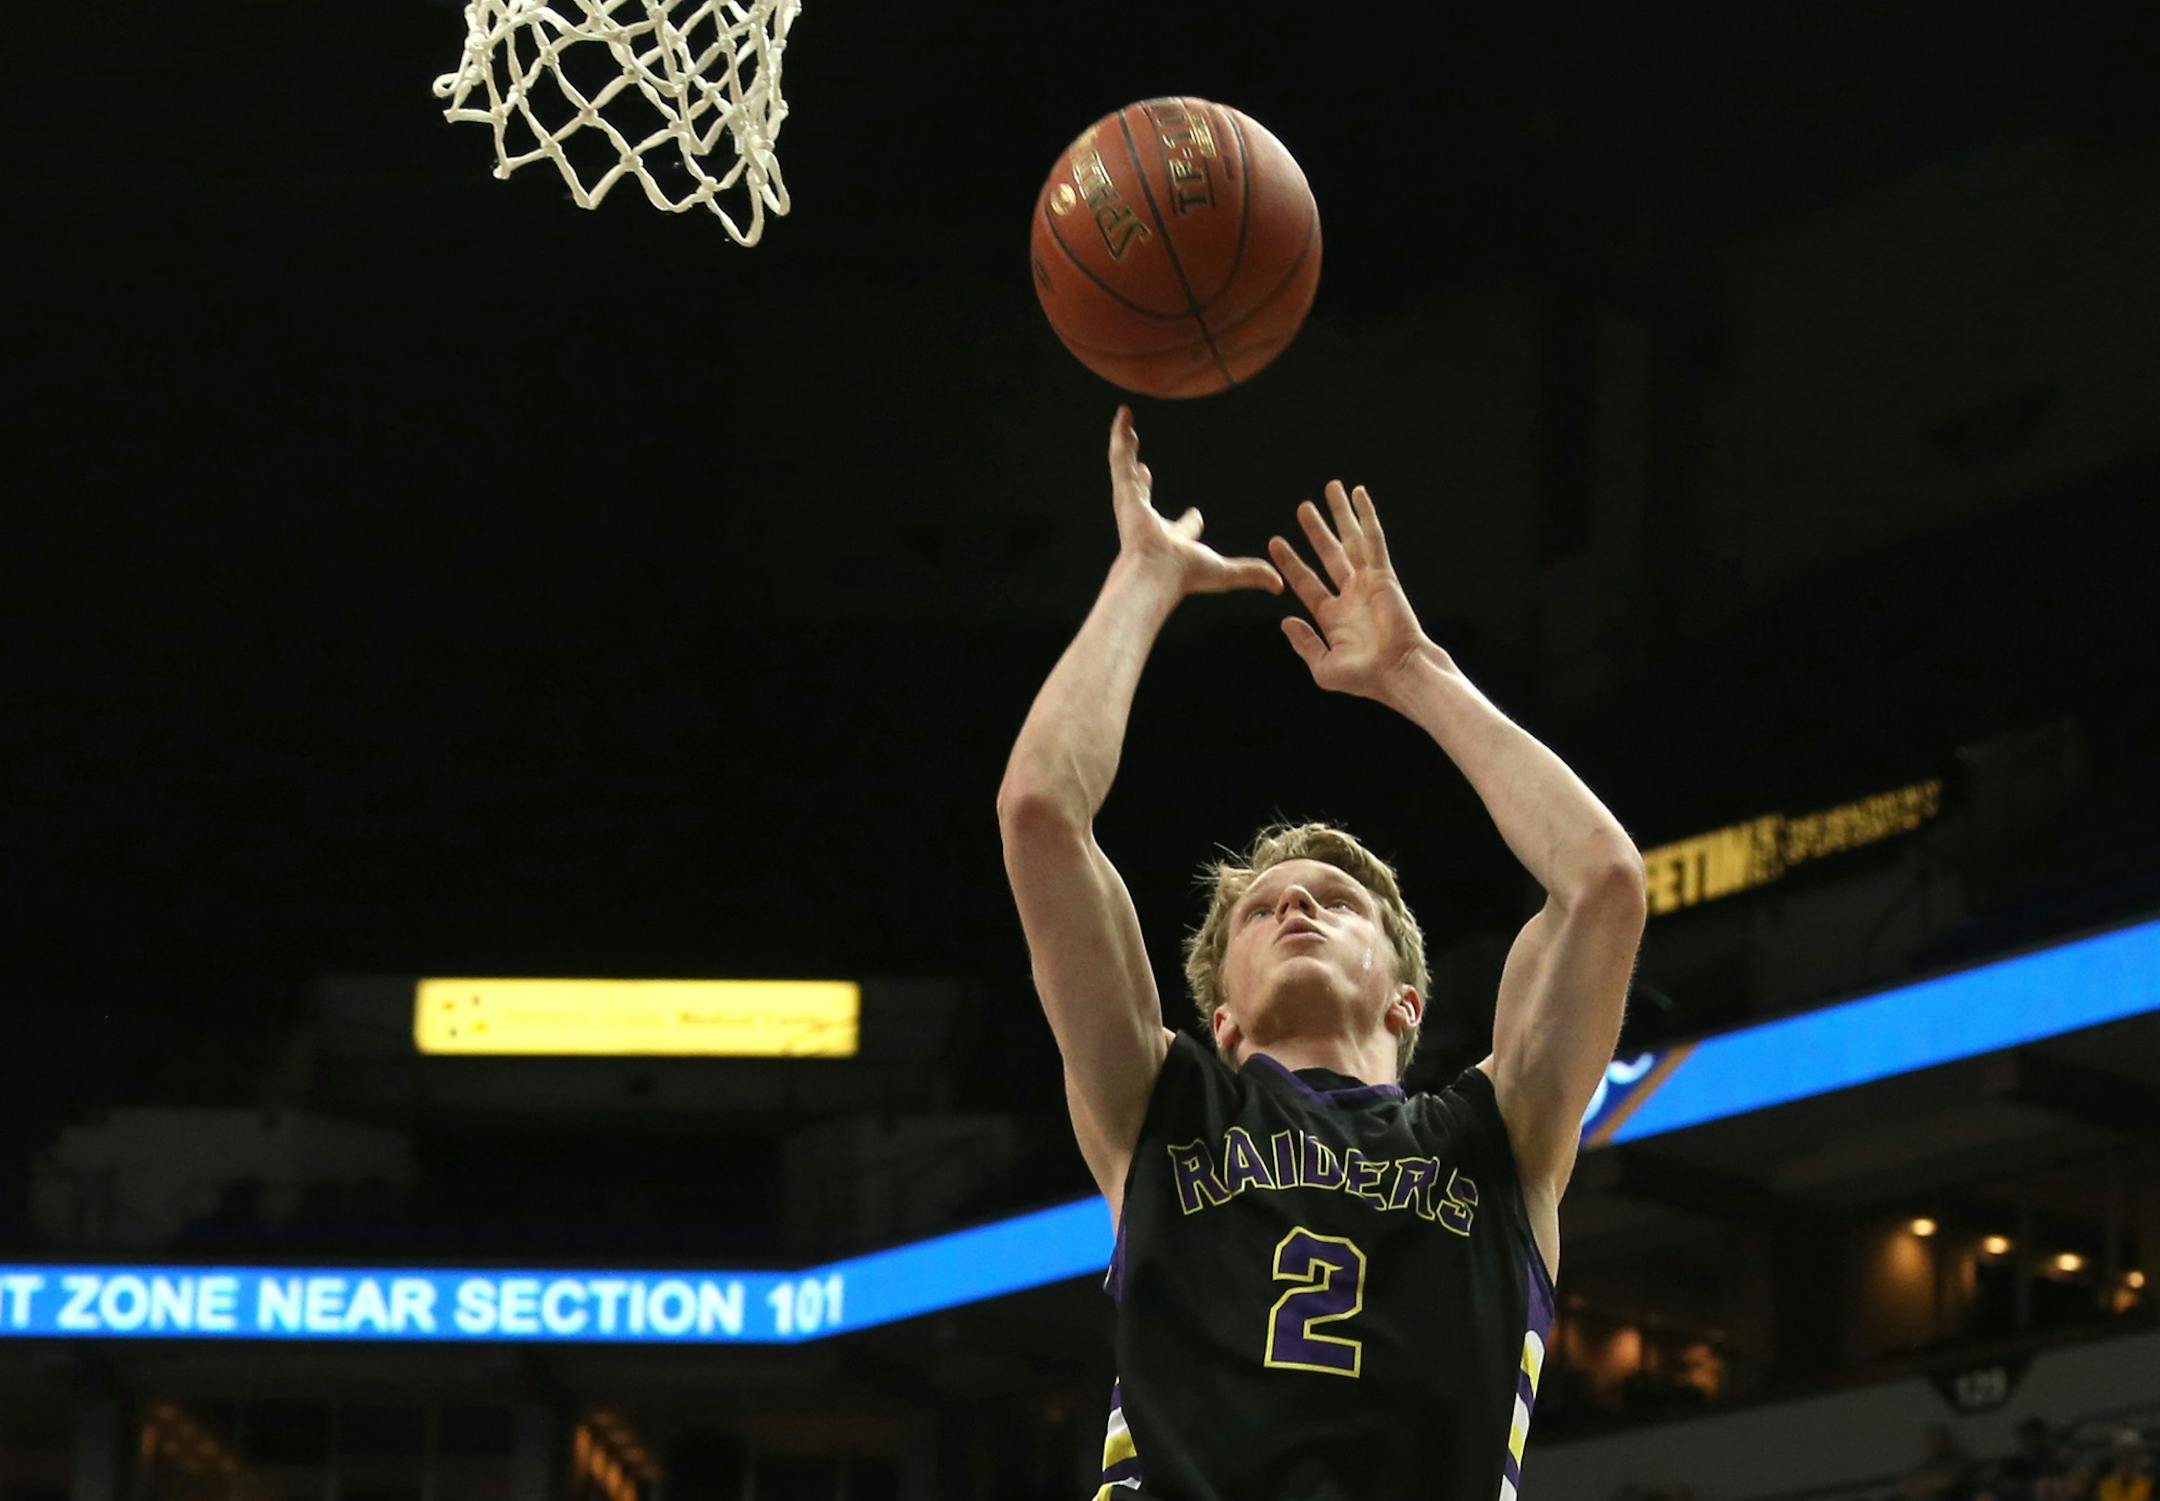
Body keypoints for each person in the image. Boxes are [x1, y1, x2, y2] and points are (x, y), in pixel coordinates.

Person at [998, 409, 1646, 1501]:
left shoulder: (1499, 1137)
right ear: (1225, 1020)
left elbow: (1603, 884)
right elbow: (1039, 813)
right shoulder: (1162, 1102)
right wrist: (1144, 579)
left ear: (1405, 998)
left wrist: (1415, 670)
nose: (1295, 904)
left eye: (1336, 902)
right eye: (1261, 911)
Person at [2095, 1428, 2153, 1501]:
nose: (2126, 1457)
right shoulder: (2106, 1485)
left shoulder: (2152, 1483)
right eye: (2121, 1452)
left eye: (2131, 1452)